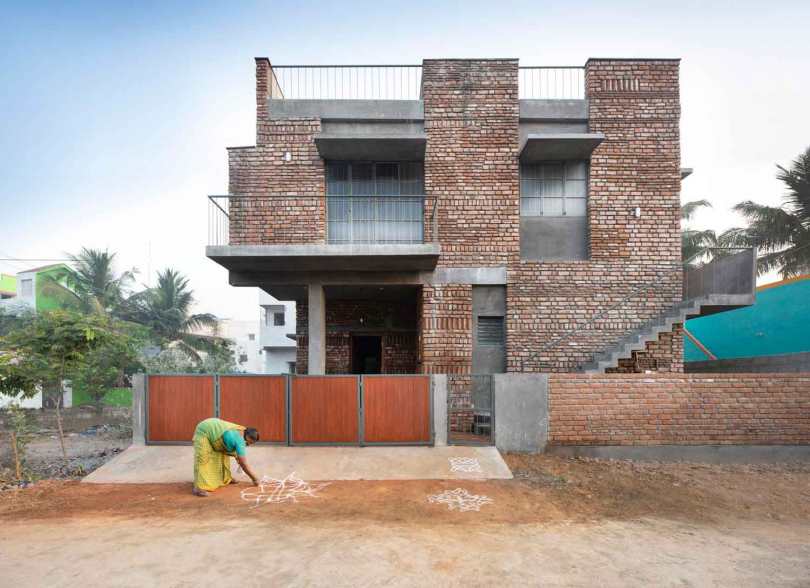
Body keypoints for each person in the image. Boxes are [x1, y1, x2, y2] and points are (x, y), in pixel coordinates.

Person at [192, 417, 260, 497]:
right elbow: (243, 463)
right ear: (248, 437)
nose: (248, 445)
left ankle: (226, 478)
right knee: (203, 459)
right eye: (249, 443)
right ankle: (199, 488)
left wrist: (238, 457)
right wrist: (254, 478)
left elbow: (234, 451)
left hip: (215, 430)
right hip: (204, 430)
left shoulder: (243, 430)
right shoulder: (239, 440)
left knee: (224, 455)